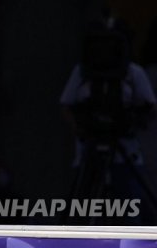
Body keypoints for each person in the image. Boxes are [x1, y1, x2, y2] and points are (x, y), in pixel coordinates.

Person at [60, 13, 157, 224]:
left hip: (126, 152)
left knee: (131, 212)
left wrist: (133, 120)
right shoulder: (82, 72)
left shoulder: (133, 73)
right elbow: (66, 104)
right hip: (88, 153)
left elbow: (150, 106)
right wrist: (80, 127)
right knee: (80, 213)